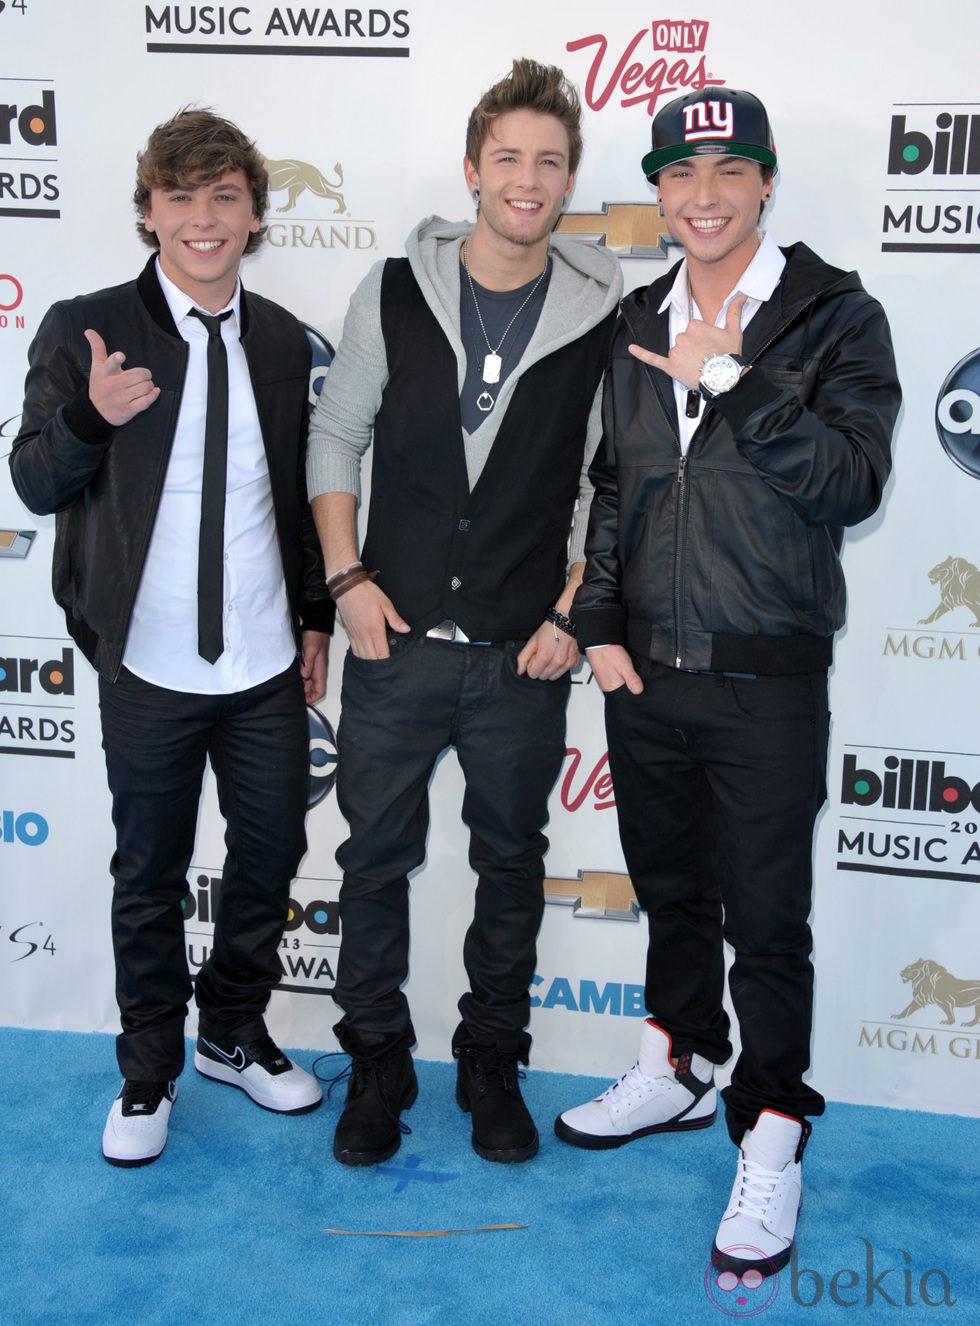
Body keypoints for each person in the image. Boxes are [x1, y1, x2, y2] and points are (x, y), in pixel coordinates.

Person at [556, 88, 900, 1275]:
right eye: (679, 174)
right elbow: (616, 489)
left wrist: (735, 381)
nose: (701, 196)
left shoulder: (832, 317)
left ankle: (770, 1128)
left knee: (764, 920)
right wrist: (598, 618)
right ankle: (678, 1064)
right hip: (645, 675)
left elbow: (851, 482)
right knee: (670, 894)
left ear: (763, 184)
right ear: (656, 192)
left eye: (727, 171)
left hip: (766, 676)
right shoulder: (634, 318)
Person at [306, 58, 622, 1167]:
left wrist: (574, 614)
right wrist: (346, 583)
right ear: (472, 170)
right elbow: (335, 434)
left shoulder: (605, 314)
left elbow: (607, 486)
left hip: (516, 661)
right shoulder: (394, 288)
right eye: (508, 159)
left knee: (509, 864)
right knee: (372, 862)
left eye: (548, 161)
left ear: (569, 177)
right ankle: (378, 1061)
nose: (526, 179)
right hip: (391, 645)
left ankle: (492, 1061)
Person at [10, 108, 333, 1167]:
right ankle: (147, 1073)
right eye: (181, 198)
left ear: (252, 214)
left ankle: (232, 1033)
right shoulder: (86, 325)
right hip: (144, 661)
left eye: (225, 197)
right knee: (148, 869)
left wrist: (317, 615)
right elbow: (33, 480)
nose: (204, 219)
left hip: (260, 660)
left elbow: (298, 497)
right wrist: (90, 418)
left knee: (273, 851)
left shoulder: (284, 341)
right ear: (148, 212)